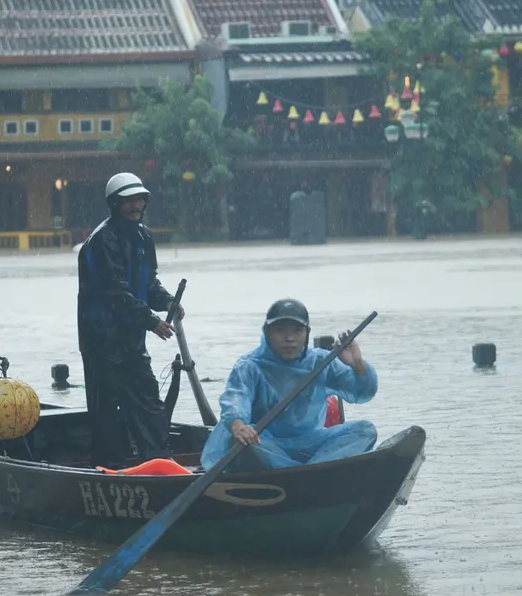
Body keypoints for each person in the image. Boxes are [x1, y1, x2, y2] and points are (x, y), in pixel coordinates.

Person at [77, 172, 184, 469]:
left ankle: (158, 460)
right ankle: (109, 467)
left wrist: (167, 301)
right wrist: (152, 321)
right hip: (102, 340)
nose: (136, 206)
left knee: (148, 399)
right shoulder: (100, 241)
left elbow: (148, 283)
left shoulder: (143, 236)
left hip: (131, 339)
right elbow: (114, 291)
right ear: (115, 204)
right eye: (128, 201)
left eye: (139, 200)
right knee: (107, 408)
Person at [200, 299, 378, 473]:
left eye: (297, 331)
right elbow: (236, 398)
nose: (290, 339)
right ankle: (308, 473)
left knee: (365, 430)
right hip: (266, 443)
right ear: (267, 332)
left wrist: (357, 364)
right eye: (280, 331)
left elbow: (363, 393)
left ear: (307, 333)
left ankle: (310, 471)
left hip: (310, 441)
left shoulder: (321, 361)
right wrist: (239, 425)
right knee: (241, 443)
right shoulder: (249, 366)